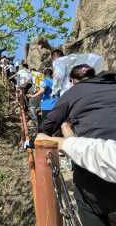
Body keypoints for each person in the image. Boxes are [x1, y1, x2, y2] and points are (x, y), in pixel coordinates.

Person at [41, 64, 116, 226]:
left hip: (97, 175)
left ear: (72, 81)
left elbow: (47, 126)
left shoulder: (73, 92)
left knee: (84, 198)